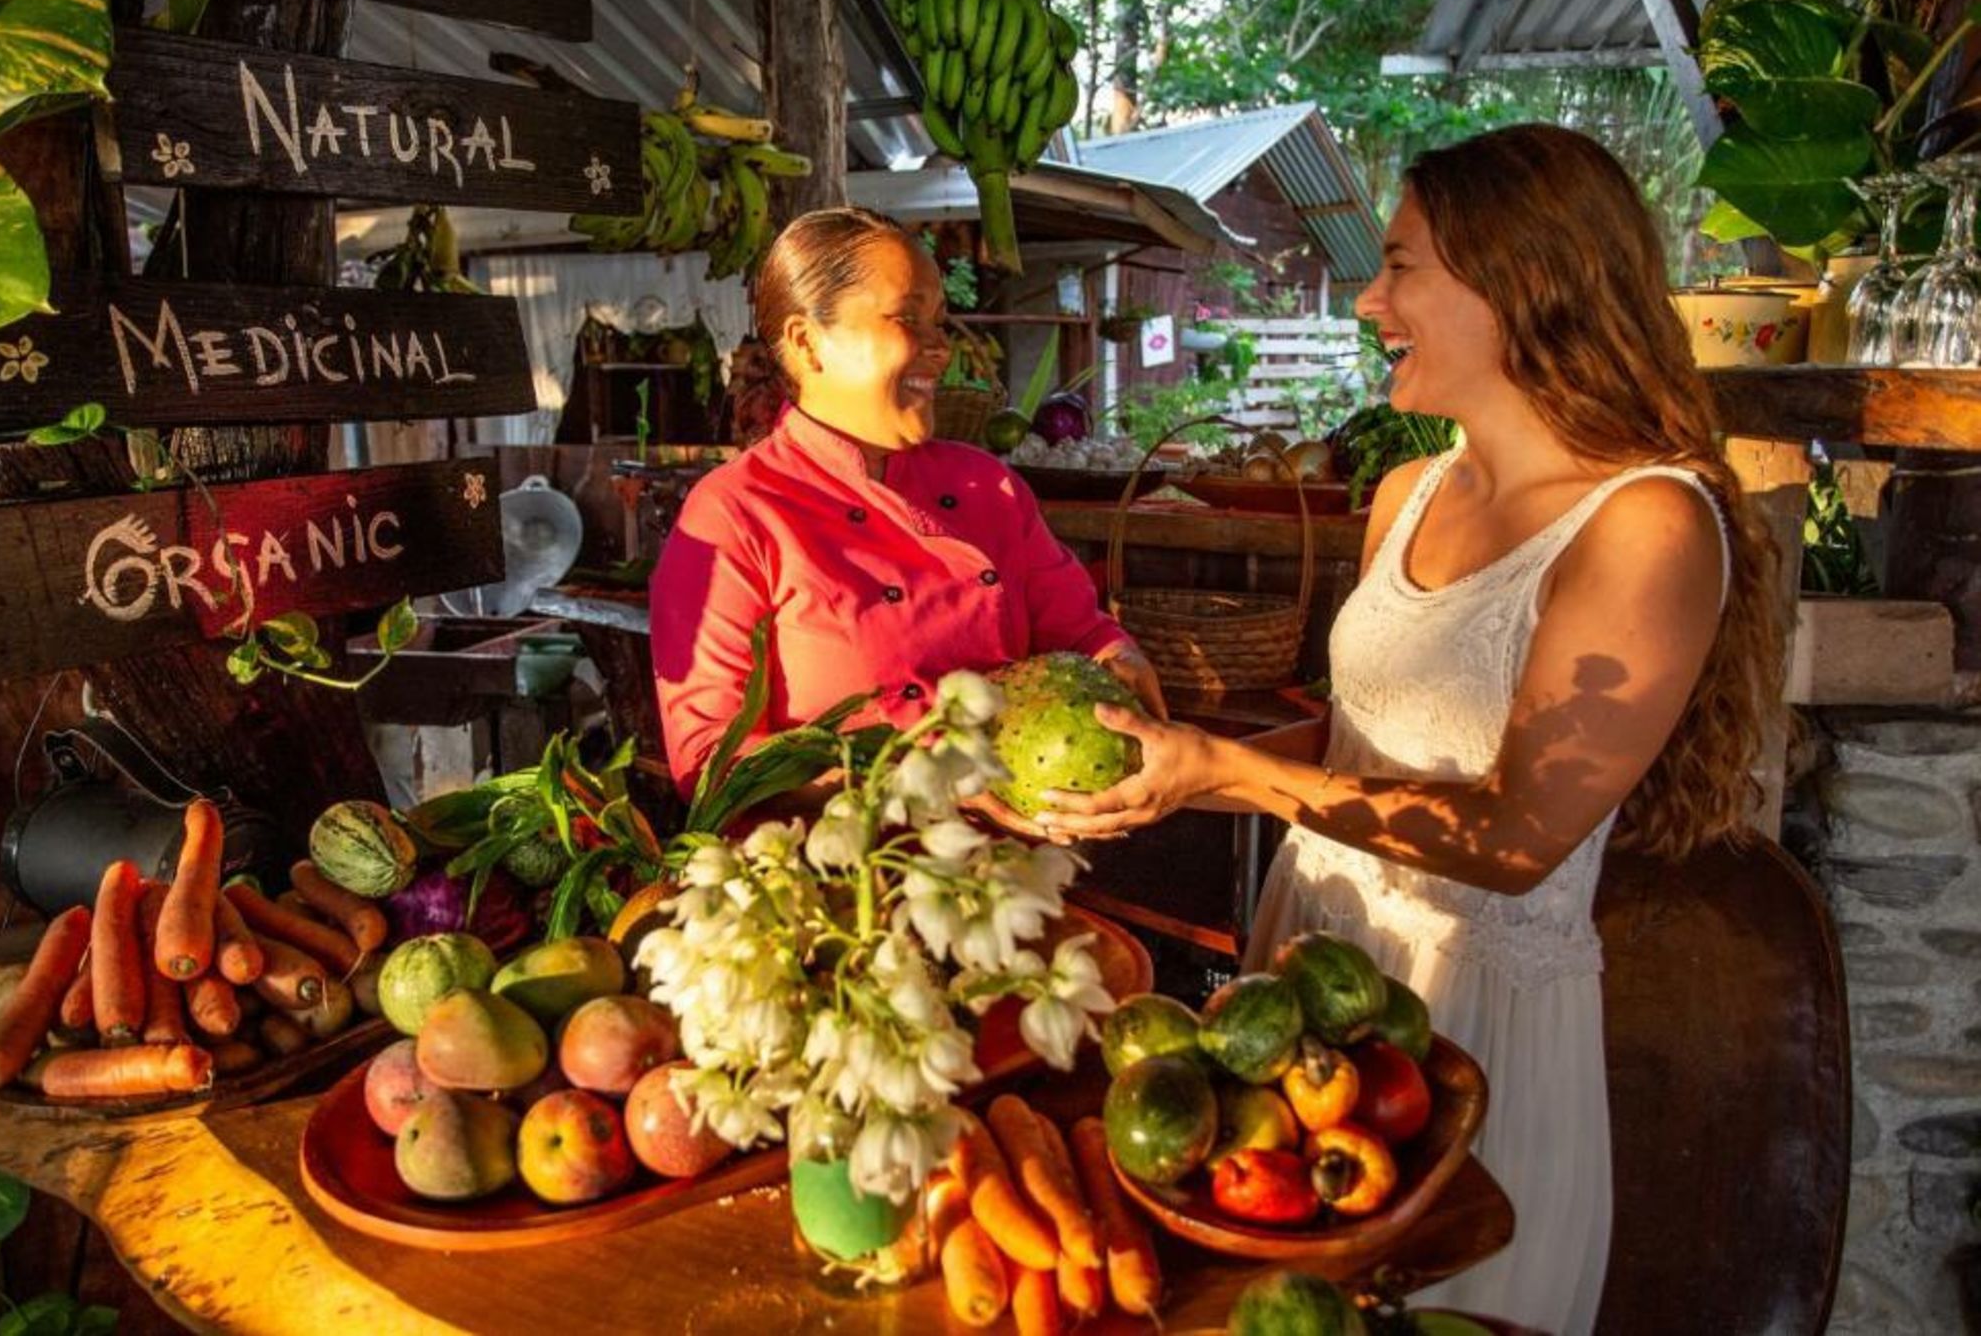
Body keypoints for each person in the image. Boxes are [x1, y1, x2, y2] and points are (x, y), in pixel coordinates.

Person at [1034, 125, 1783, 1334]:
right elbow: (1348, 750)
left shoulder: (1645, 526)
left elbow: (1513, 837)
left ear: (1520, 282)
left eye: (1401, 267)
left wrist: (1227, 765)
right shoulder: (1408, 490)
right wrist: (1170, 778)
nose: (1368, 299)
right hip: (1310, 969)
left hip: (1467, 1024)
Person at [650, 206, 1162, 809]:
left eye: (940, 323)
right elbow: (711, 759)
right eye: (907, 320)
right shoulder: (735, 513)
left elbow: (1079, 629)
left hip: (1007, 873)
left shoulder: (986, 486)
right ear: (808, 342)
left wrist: (1119, 658)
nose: (940, 349)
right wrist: (917, 783)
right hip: (833, 882)